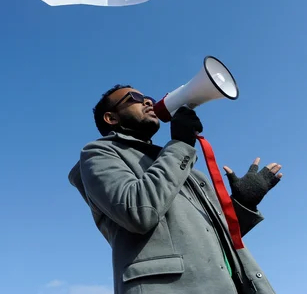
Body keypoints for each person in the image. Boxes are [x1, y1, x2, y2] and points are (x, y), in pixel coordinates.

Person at [68, 84, 282, 294]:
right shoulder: (98, 154)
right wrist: (180, 143)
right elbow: (139, 212)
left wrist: (243, 203)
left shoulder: (181, 167)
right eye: (133, 98)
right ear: (111, 118)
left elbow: (210, 237)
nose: (148, 101)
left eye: (148, 96)